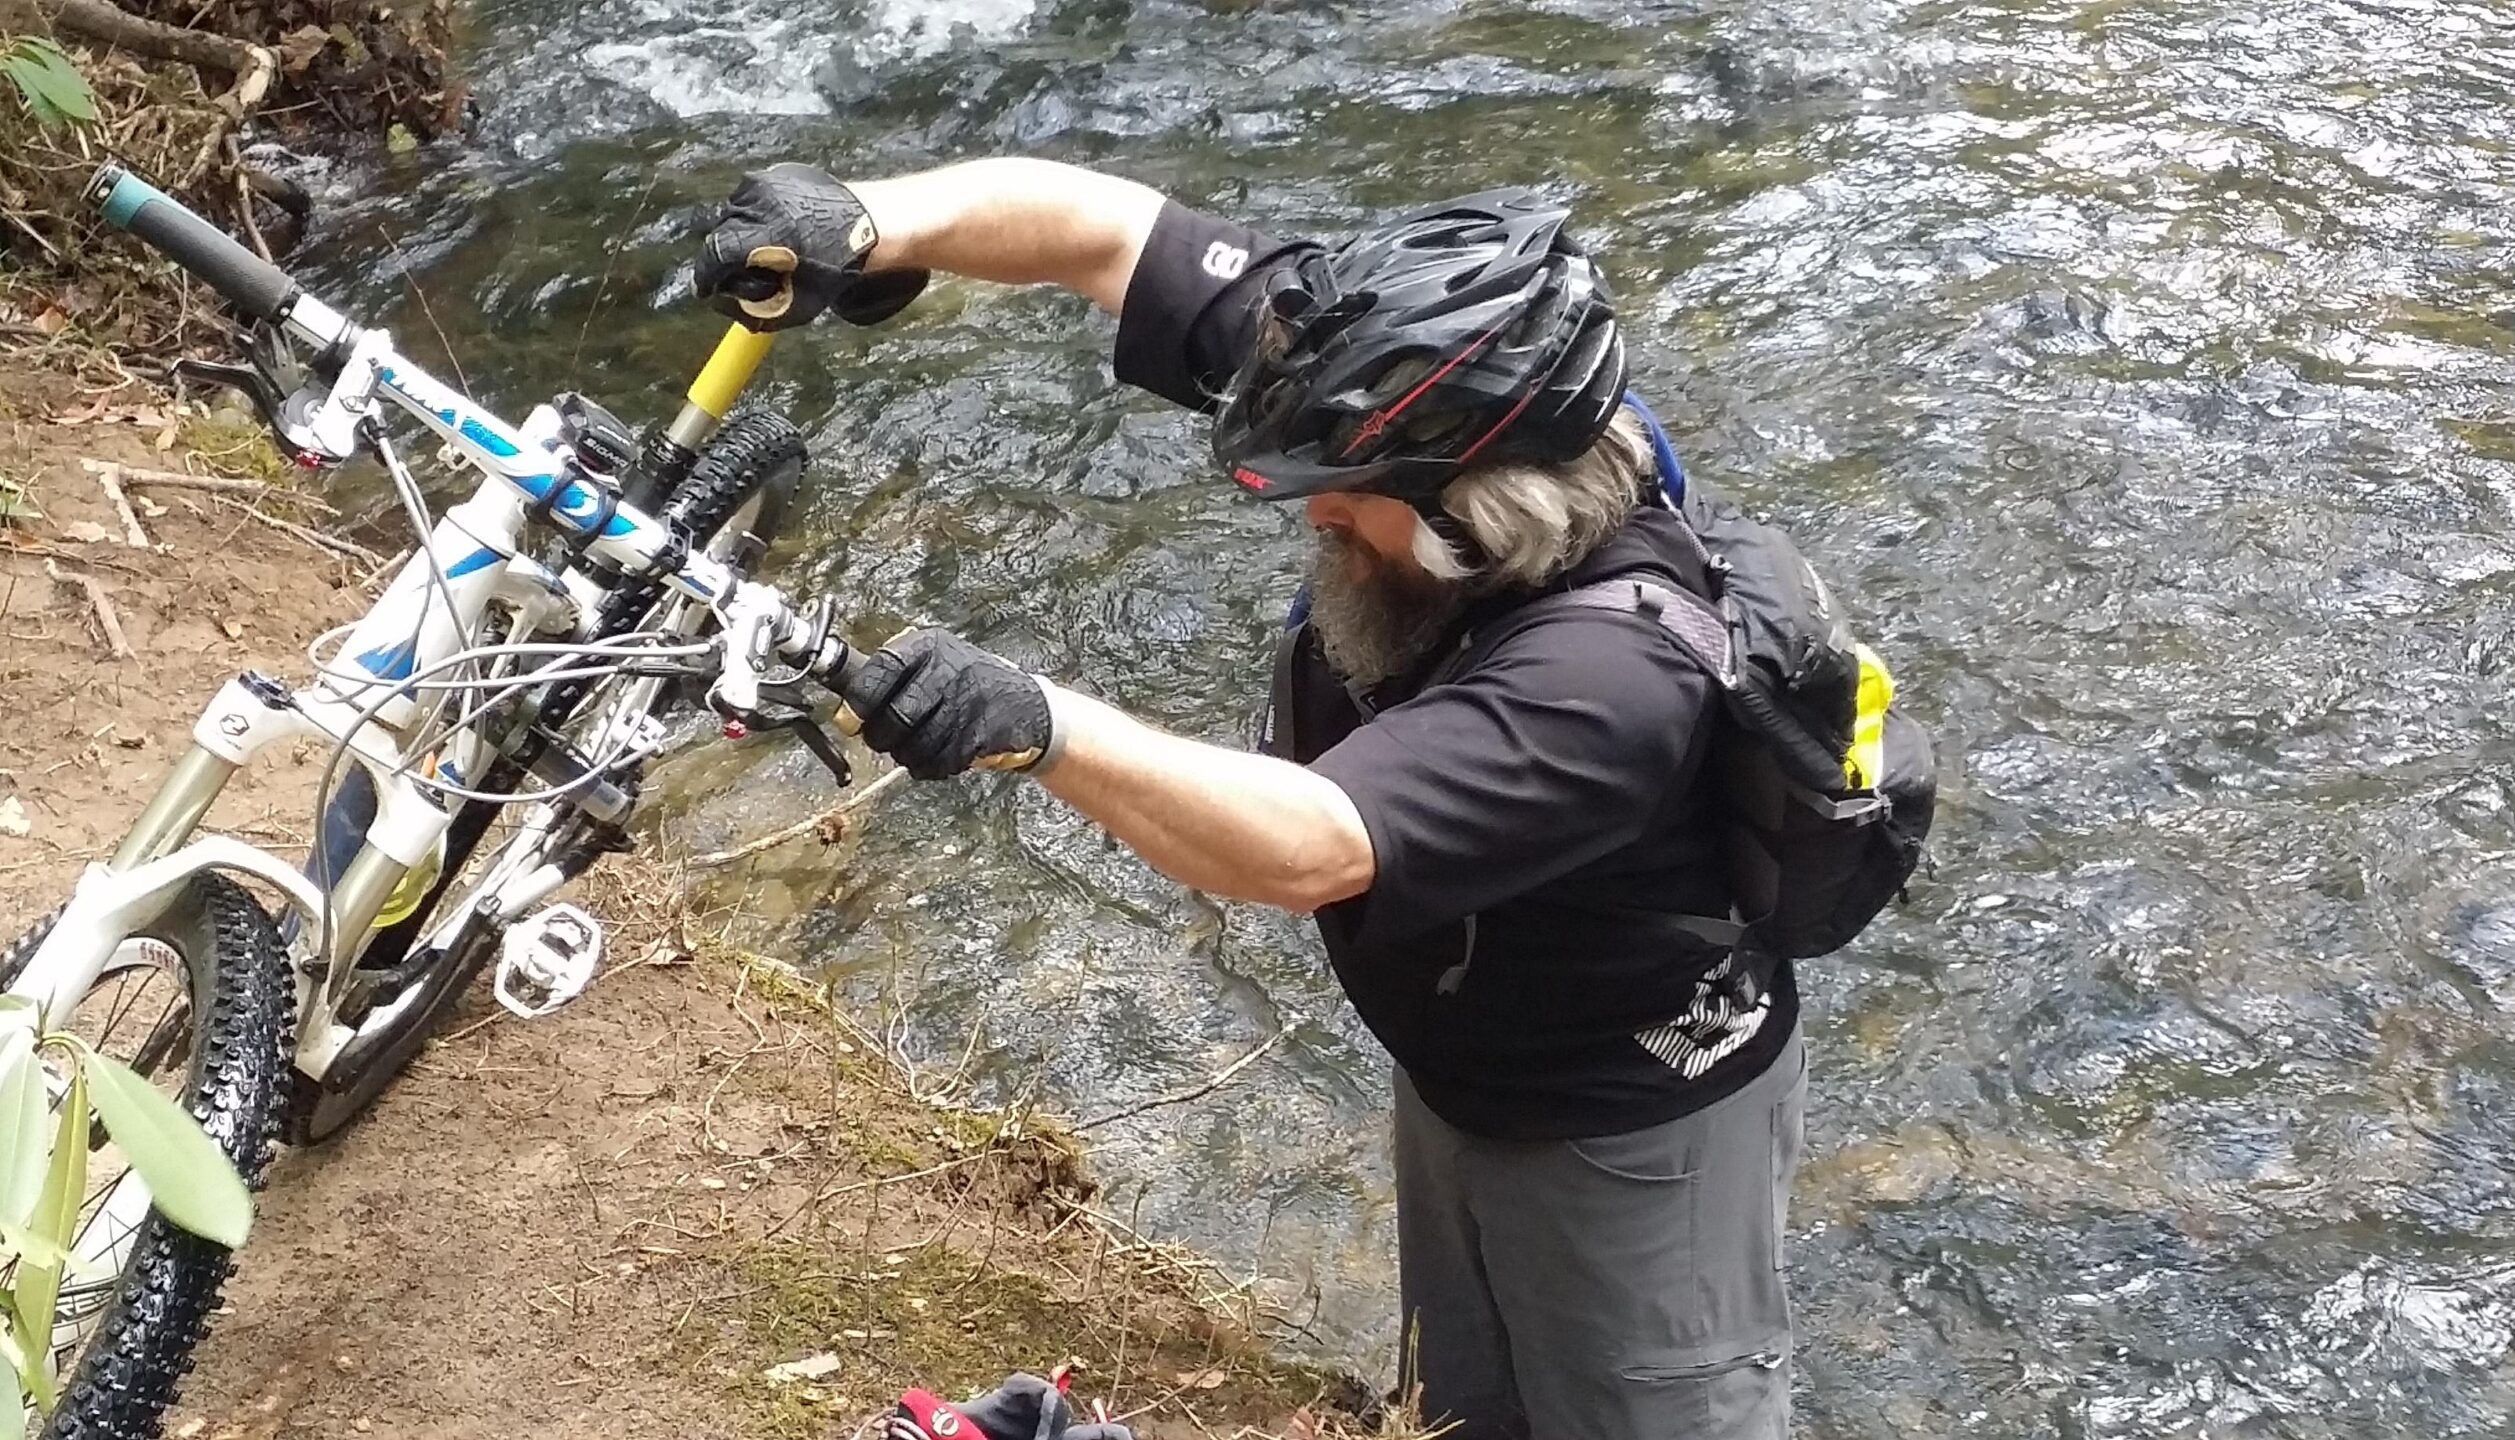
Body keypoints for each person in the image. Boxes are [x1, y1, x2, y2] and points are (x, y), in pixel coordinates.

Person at [694, 158, 1809, 1440]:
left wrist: (1039, 724)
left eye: (1348, 500)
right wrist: (876, 221)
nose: (1315, 511)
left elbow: (1308, 847)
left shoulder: (1611, 679)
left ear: (1480, 512)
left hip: (1629, 1119)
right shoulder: (1395, 375)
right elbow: (1109, 237)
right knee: (1462, 1403)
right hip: (1468, 1057)